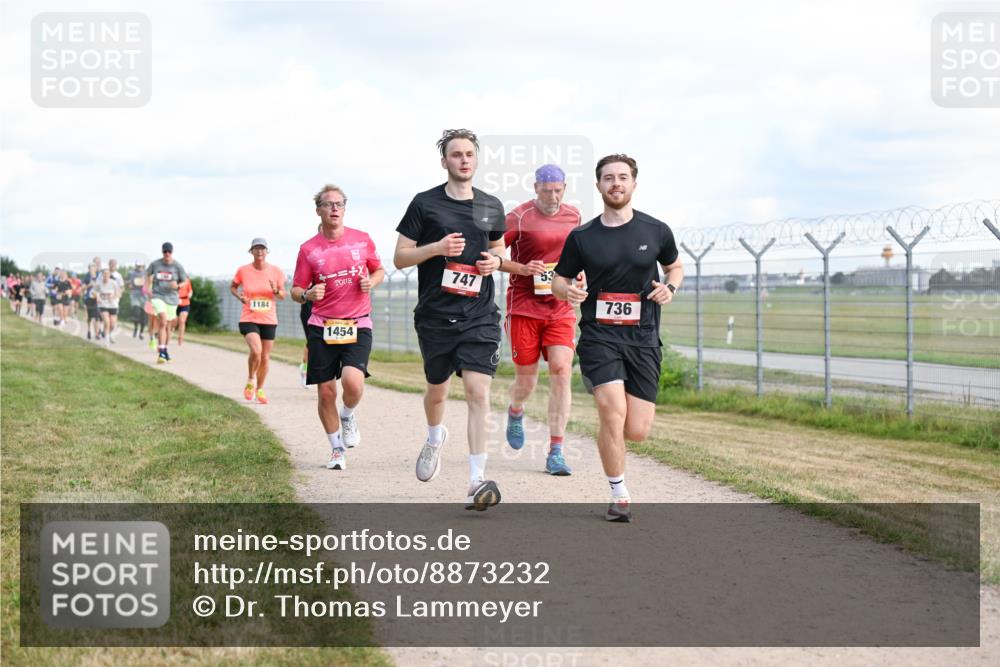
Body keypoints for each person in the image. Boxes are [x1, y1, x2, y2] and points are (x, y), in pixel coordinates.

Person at [552, 154, 684, 523]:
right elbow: (560, 279)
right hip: (599, 337)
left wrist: (670, 288)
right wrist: (568, 293)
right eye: (608, 178)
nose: (616, 183)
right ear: (598, 186)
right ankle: (618, 493)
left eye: (623, 177)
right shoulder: (582, 237)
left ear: (633, 184)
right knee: (612, 413)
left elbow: (675, 266)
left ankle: (614, 452)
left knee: (637, 431)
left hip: (643, 339)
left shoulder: (656, 231)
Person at [393, 128, 506, 511]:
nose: (463, 160)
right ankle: (434, 435)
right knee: (437, 391)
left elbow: (498, 251)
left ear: (476, 159)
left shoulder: (491, 204)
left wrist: (495, 262)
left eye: (469, 154)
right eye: (455, 154)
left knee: (478, 392)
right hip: (436, 315)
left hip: (479, 315)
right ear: (444, 161)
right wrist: (438, 248)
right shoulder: (424, 204)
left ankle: (476, 480)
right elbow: (400, 257)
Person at [292, 185, 384, 471]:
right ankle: (336, 449)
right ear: (318, 209)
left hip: (357, 322)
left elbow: (378, 269)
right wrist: (307, 295)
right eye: (328, 204)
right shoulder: (309, 249)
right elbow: (295, 289)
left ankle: (348, 414)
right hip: (322, 325)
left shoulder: (362, 240)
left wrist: (373, 282)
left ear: (345, 208)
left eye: (340, 203)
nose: (334, 208)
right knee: (326, 392)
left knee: (353, 383)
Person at [500, 164, 582, 476]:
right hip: (523, 307)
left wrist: (581, 273)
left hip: (560, 307)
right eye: (546, 190)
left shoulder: (574, 217)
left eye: (558, 190)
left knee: (561, 371)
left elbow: (581, 254)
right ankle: (516, 409)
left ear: (565, 187)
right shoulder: (518, 217)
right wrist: (523, 268)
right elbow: (493, 255)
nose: (553, 195)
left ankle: (556, 451)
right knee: (528, 381)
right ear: (536, 188)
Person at [231, 239, 286, 404]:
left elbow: (283, 295)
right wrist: (239, 295)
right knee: (256, 351)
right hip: (249, 317)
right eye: (256, 248)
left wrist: (276, 290)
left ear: (267, 251)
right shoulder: (243, 270)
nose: (259, 251)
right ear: (251, 251)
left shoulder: (276, 271)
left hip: (269, 319)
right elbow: (233, 287)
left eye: (262, 248)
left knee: (265, 357)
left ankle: (260, 389)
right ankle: (250, 379)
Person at [146, 242, 188, 363]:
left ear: (172, 252)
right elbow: (147, 275)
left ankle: (165, 350)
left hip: (172, 298)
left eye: (169, 252)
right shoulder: (155, 264)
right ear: (162, 252)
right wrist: (148, 288)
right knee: (162, 321)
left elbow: (185, 281)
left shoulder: (177, 266)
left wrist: (178, 285)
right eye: (165, 252)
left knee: (169, 326)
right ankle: (162, 353)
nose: (167, 254)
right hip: (158, 296)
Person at [95, 269, 122, 346]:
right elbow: (95, 292)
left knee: (112, 324)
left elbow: (119, 293)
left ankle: (109, 334)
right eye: (104, 274)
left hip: (113, 305)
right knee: (107, 321)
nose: (106, 276)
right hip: (103, 305)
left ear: (109, 275)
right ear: (102, 275)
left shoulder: (114, 283)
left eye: (107, 274)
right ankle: (106, 340)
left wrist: (113, 297)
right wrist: (98, 297)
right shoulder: (99, 283)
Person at [128, 263, 147, 339]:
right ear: (135, 266)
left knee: (144, 315)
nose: (139, 268)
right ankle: (135, 328)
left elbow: (151, 282)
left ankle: (141, 332)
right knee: (136, 313)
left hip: (144, 296)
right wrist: (129, 284)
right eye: (138, 266)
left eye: (141, 266)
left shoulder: (146, 273)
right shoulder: (131, 273)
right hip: (135, 295)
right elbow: (126, 281)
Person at [82, 264, 101, 340]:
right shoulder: (87, 277)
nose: (92, 269)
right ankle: (89, 330)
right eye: (90, 268)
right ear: (89, 269)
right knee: (90, 317)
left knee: (97, 317)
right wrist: (89, 285)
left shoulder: (99, 276)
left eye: (93, 268)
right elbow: (82, 289)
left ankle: (97, 333)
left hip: (97, 299)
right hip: (88, 299)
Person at [174, 278, 192, 345]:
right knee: (174, 321)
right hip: (174, 303)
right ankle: (171, 330)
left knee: (182, 320)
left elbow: (190, 291)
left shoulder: (187, 280)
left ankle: (180, 337)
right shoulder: (174, 279)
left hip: (185, 303)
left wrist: (189, 294)